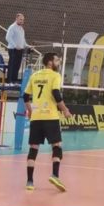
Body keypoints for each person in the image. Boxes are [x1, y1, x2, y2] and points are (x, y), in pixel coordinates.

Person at [23, 52, 72, 192]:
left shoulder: (34, 75)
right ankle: (55, 175)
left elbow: (25, 96)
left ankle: (30, 181)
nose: (58, 62)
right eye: (57, 60)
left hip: (36, 117)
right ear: (50, 62)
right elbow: (56, 94)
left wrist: (30, 111)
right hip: (50, 116)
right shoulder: (55, 75)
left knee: (33, 148)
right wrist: (65, 110)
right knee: (57, 146)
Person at [5, 13, 27, 84]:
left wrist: (26, 45)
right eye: (20, 19)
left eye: (23, 20)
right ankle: (9, 80)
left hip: (20, 50)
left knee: (17, 65)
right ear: (16, 19)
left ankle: (14, 80)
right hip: (13, 49)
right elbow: (8, 38)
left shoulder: (21, 29)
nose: (22, 21)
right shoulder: (12, 27)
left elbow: (22, 39)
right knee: (12, 65)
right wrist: (15, 46)